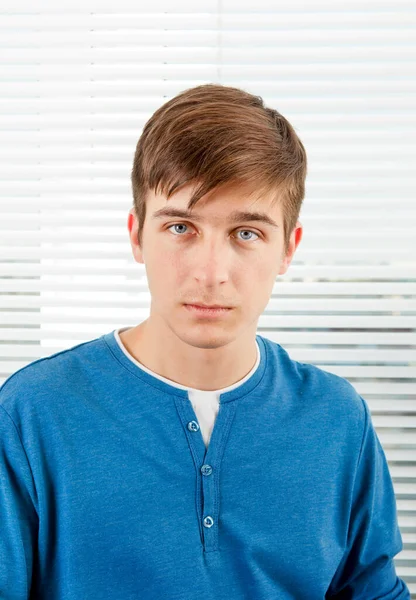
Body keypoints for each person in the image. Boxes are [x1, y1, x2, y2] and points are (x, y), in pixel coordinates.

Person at [0, 83, 410, 599]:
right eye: (180, 227)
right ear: (136, 236)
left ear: (288, 249)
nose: (211, 272)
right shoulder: (32, 412)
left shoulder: (337, 417)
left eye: (246, 233)